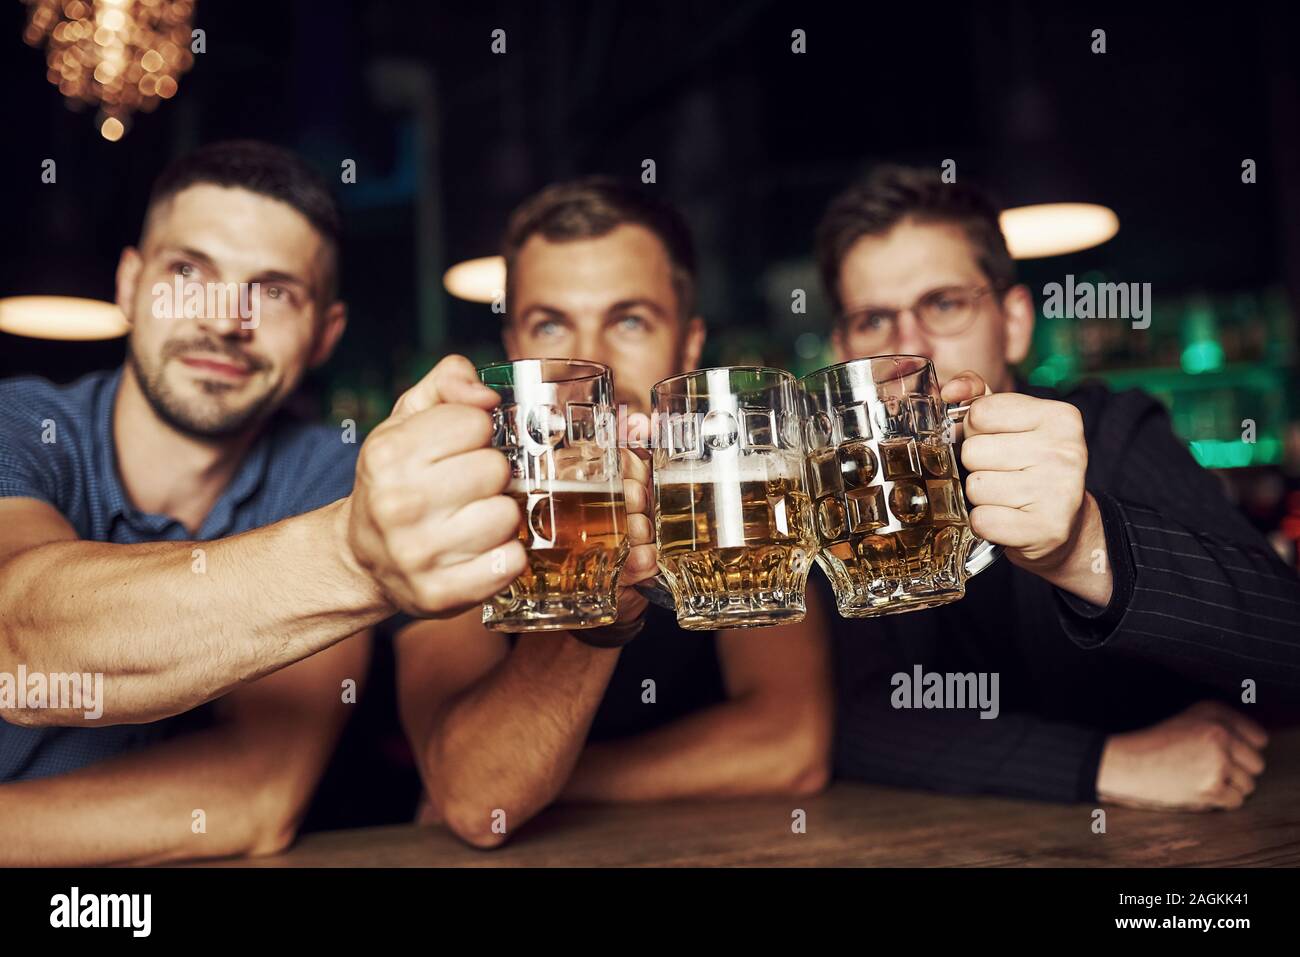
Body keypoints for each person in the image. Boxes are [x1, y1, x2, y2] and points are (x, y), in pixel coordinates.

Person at [0, 140, 525, 863]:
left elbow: (254, 792)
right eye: (189, 272)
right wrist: (351, 553)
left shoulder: (335, 475)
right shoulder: (21, 425)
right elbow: (18, 641)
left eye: (274, 290)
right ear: (128, 285)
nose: (224, 320)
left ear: (324, 336)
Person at [817, 165, 1300, 812]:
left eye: (944, 304)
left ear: (1014, 321)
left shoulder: (1112, 430)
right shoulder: (846, 493)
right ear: (841, 351)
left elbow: (1284, 637)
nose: (911, 349)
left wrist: (1085, 546)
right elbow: (851, 723)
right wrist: (1106, 764)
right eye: (874, 320)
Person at [395, 177, 834, 848]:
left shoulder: (737, 487)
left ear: (688, 347)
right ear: (514, 346)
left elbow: (790, 743)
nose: (593, 362)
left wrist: (555, 784)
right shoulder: (459, 501)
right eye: (551, 324)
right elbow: (477, 792)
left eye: (629, 320)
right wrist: (602, 574)